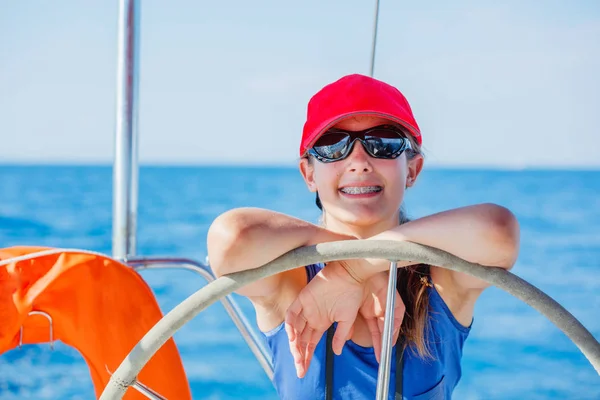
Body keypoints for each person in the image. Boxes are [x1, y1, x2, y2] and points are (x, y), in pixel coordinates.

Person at [207, 74, 520, 399]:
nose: (358, 161)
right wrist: (350, 261)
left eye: (382, 143)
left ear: (412, 169)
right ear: (309, 173)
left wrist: (355, 271)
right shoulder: (294, 279)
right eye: (333, 146)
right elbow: (233, 238)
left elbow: (498, 231)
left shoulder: (437, 280)